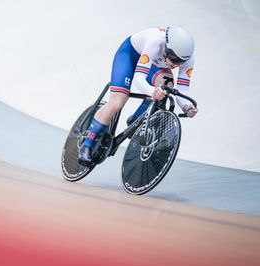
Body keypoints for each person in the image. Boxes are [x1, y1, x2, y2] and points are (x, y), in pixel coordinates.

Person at [79, 26, 198, 163]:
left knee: (167, 87)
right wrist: (152, 91)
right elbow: (138, 78)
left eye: (179, 62)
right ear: (167, 47)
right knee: (118, 102)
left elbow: (182, 90)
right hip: (129, 56)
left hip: (154, 64)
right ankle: (86, 143)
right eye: (173, 59)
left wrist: (187, 107)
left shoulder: (188, 59)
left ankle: (136, 120)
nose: (174, 65)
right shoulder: (155, 43)